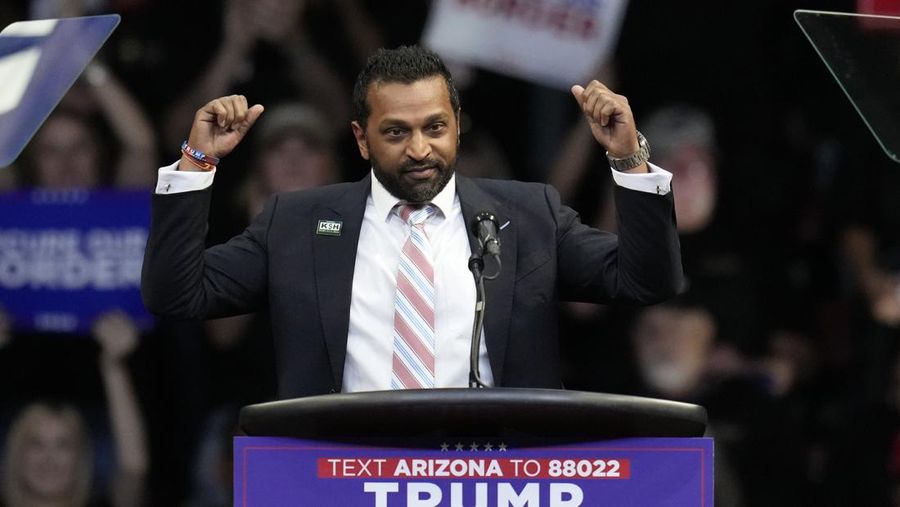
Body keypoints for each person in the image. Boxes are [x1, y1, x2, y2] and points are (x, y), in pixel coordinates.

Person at [141, 45, 682, 397]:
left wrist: (629, 158)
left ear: (457, 128)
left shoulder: (528, 215)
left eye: (435, 127)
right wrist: (197, 162)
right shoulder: (296, 223)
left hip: (497, 475)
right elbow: (178, 295)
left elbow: (646, 279)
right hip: (343, 476)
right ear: (360, 138)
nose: (420, 149)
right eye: (397, 132)